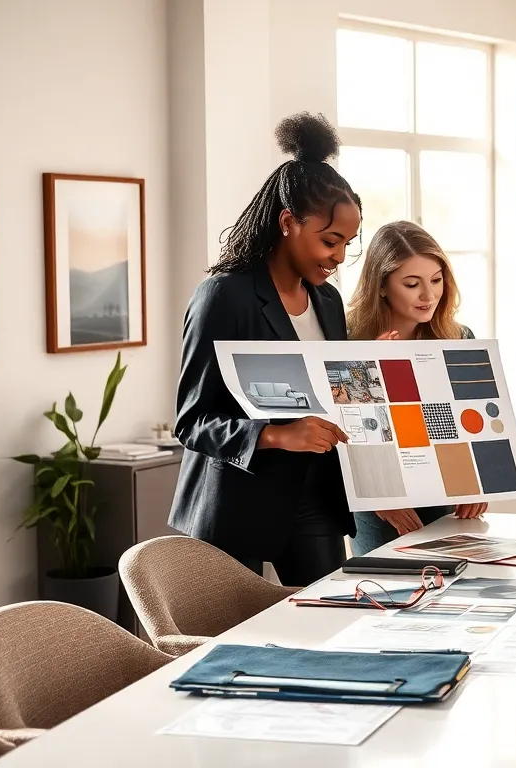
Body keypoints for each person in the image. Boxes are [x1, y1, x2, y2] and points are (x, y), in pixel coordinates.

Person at [169, 111, 361, 586]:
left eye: (348, 244)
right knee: (234, 649)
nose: (338, 257)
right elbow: (191, 422)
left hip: (316, 496)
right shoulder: (224, 297)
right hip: (235, 504)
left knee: (328, 628)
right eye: (330, 241)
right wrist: (276, 435)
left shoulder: (328, 301)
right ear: (288, 222)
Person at [344, 220, 488, 555]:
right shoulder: (349, 339)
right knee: (387, 589)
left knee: (452, 589)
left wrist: (477, 483)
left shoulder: (460, 338)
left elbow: (473, 421)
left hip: (445, 491)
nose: (429, 295)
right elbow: (348, 435)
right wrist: (370, 373)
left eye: (436, 280)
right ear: (381, 286)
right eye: (412, 284)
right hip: (379, 498)